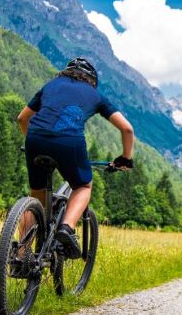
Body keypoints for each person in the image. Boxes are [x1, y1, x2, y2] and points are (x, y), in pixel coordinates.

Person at [17, 57, 135, 259]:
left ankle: (20, 254)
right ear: (91, 80)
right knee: (83, 186)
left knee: (37, 195)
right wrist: (125, 158)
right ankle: (66, 228)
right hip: (69, 142)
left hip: (35, 138)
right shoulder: (95, 95)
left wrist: (35, 142)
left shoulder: (51, 85)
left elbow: (22, 118)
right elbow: (127, 129)